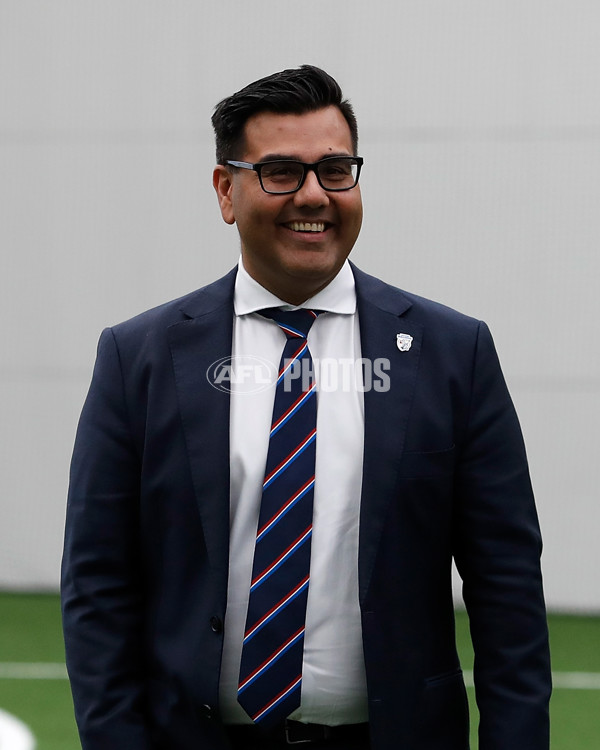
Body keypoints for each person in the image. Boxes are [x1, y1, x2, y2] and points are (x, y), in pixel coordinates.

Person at [61, 65, 551, 750]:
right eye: (282, 172)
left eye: (336, 170)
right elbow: (98, 586)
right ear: (226, 191)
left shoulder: (452, 353)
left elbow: (508, 591)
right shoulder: (137, 358)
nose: (314, 195)